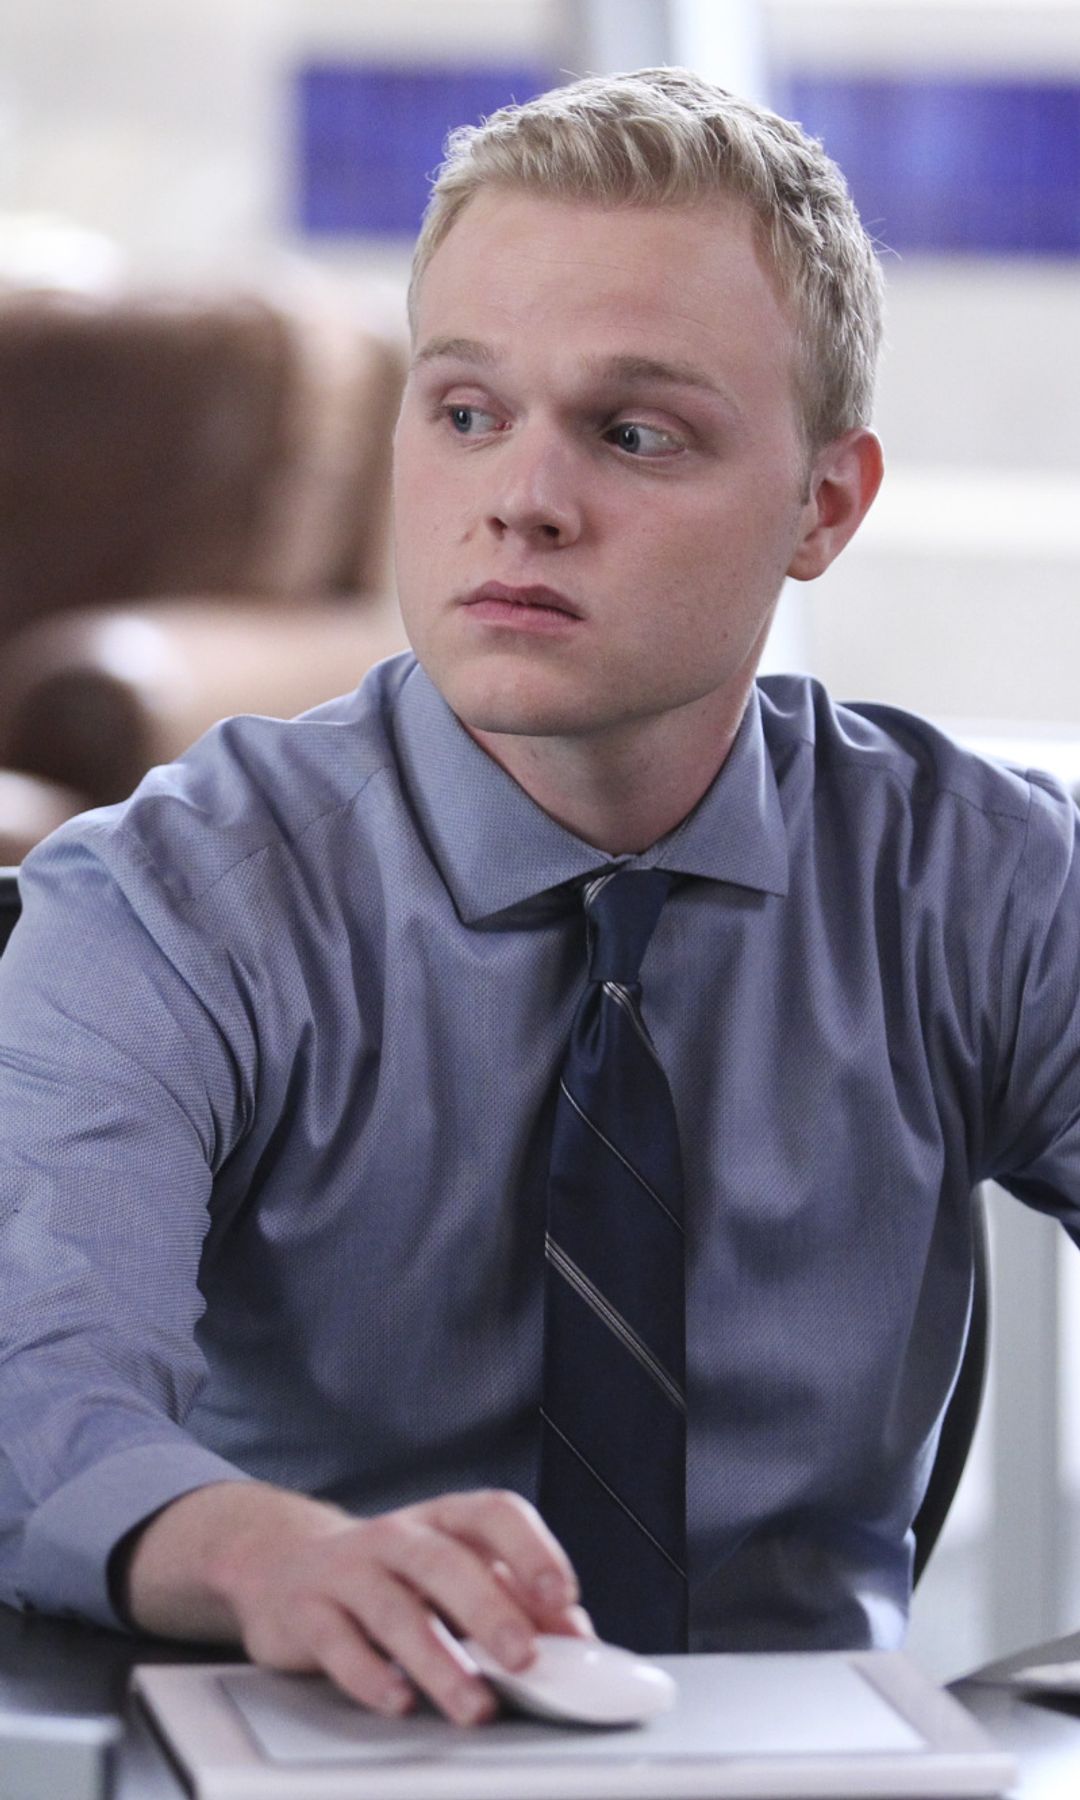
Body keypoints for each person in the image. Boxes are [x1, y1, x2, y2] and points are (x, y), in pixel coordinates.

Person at [2, 66, 1079, 1728]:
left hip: (837, 1775)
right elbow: (37, 1398)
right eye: (466, 411)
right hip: (308, 1750)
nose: (523, 497)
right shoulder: (165, 905)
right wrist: (259, 1554)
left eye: (634, 431)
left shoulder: (983, 883)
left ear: (826, 507)